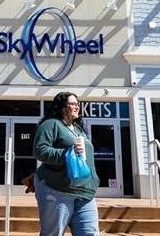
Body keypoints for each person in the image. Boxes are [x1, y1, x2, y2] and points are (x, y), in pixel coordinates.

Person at [32, 92, 100, 236]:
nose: (77, 107)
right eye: (73, 104)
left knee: (90, 233)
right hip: (58, 190)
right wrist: (67, 153)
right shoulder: (51, 124)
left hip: (86, 192)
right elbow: (40, 150)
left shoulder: (79, 130)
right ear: (62, 107)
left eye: (77, 104)